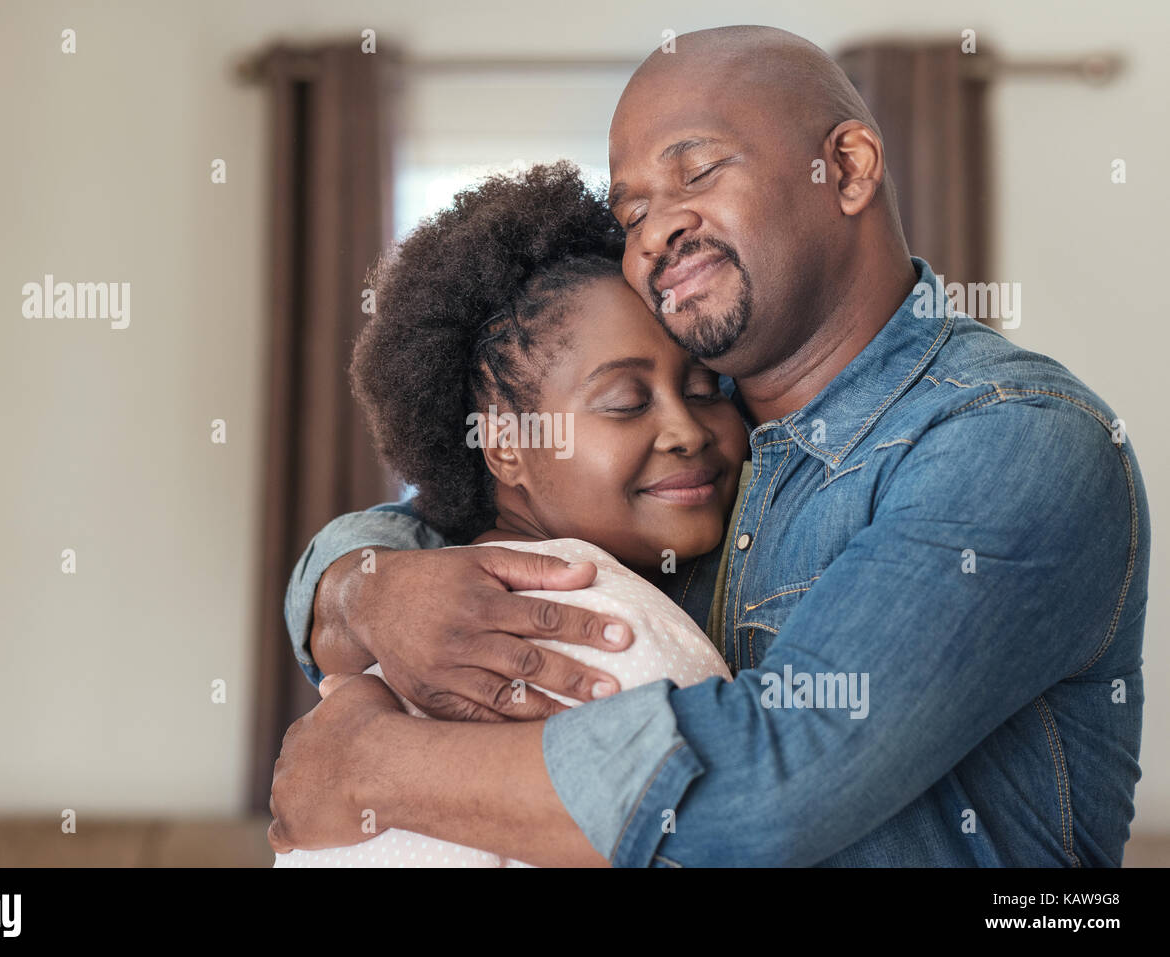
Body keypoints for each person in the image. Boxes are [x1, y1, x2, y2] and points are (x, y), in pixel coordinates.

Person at [270, 25, 1149, 867]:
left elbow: (774, 783)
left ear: (845, 168)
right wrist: (362, 594)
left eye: (695, 171)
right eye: (634, 211)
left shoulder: (1009, 436)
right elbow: (447, 520)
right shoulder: (709, 437)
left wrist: (370, 768)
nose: (654, 230)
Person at [274, 161, 746, 867]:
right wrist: (361, 589)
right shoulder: (570, 628)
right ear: (505, 444)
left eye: (708, 388)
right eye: (625, 401)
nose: (686, 429)